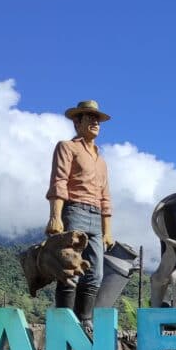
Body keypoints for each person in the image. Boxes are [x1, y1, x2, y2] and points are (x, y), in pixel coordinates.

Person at [45, 100, 113, 327]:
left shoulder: (101, 160)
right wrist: (56, 215)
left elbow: (105, 197)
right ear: (77, 122)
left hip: (95, 217)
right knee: (70, 269)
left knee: (95, 274)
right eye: (89, 117)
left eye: (97, 119)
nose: (95, 122)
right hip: (74, 210)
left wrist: (107, 231)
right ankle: (64, 322)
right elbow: (59, 181)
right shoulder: (67, 147)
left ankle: (85, 320)